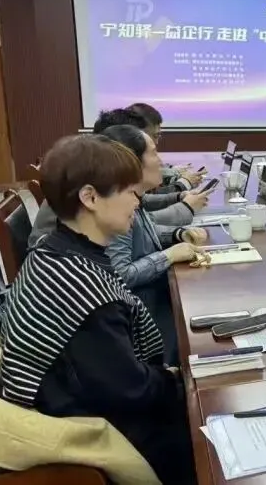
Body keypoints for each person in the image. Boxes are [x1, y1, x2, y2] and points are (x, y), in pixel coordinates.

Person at [0, 134, 196, 484]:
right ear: (90, 197)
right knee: (206, 425)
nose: (138, 201)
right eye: (130, 192)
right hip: (79, 435)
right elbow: (130, 391)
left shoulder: (53, 250)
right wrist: (179, 379)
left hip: (65, 401)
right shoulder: (83, 292)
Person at [100, 124, 209, 363]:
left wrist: (178, 234)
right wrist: (168, 256)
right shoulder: (116, 207)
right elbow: (120, 275)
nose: (161, 161)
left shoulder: (131, 197)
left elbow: (144, 231)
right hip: (145, 317)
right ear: (130, 161)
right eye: (153, 153)